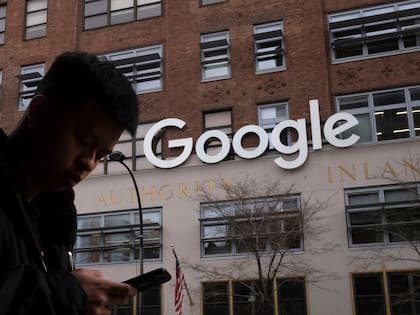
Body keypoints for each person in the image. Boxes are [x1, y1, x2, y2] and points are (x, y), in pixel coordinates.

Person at [0, 51, 139, 315]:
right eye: (84, 142)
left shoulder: (53, 226)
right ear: (39, 112)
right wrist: (65, 295)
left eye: (100, 155)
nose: (89, 163)